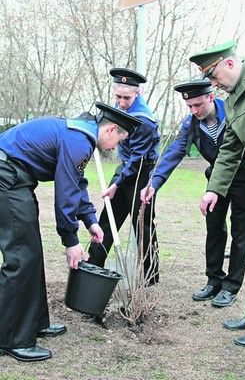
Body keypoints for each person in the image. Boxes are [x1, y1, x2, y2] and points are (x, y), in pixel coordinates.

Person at [0, 102, 141, 362]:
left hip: (15, 179)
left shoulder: (79, 135)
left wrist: (90, 220)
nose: (115, 148)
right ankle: (11, 338)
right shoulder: (79, 140)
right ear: (111, 130)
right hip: (6, 178)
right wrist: (71, 240)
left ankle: (36, 323)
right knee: (20, 258)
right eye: (119, 141)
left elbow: (76, 181)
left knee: (32, 254)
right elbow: (65, 194)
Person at [140, 79, 245, 307]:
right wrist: (154, 182)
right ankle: (214, 280)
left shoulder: (233, 112)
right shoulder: (191, 123)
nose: (194, 111)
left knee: (241, 235)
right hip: (215, 182)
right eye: (189, 106)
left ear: (211, 97)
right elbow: (174, 152)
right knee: (214, 230)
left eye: (198, 105)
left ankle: (231, 286)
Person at [190, 40, 245, 347]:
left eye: (213, 75)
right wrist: (213, 190)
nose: (213, 84)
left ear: (231, 64)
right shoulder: (233, 102)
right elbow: (230, 151)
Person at [88, 68, 160, 285]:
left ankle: (150, 277)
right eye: (117, 96)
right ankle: (93, 265)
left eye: (126, 98)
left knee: (143, 226)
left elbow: (137, 159)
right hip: (124, 170)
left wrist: (117, 184)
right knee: (107, 219)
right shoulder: (120, 111)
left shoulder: (144, 120)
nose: (121, 102)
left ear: (137, 94)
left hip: (141, 174)